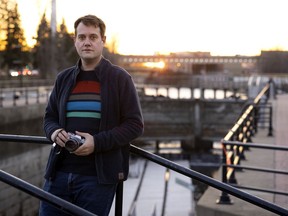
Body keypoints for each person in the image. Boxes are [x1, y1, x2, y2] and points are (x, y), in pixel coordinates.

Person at [39, 14, 144, 216]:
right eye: (82, 37)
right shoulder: (64, 78)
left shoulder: (120, 78)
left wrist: (96, 143)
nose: (87, 42)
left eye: (93, 37)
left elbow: (134, 125)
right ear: (75, 41)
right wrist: (54, 133)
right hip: (58, 174)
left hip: (98, 178)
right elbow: (49, 117)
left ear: (103, 41)